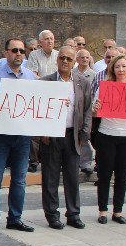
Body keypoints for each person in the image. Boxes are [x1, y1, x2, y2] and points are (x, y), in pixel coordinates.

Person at [0, 38, 38, 234]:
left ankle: (15, 218)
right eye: (15, 50)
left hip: (22, 136)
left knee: (20, 179)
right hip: (0, 136)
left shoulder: (31, 77)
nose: (19, 54)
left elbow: (39, 103)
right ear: (6, 53)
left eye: (22, 51)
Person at [39, 46, 92, 229]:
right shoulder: (46, 81)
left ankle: (73, 214)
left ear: (74, 62)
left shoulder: (82, 82)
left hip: (72, 135)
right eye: (62, 58)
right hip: (52, 135)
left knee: (72, 177)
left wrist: (83, 135)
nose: (65, 61)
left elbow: (87, 110)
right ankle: (52, 214)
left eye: (69, 59)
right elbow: (39, 110)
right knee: (50, 177)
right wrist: (42, 132)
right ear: (57, 60)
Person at [93, 55, 126, 224]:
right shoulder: (105, 87)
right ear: (112, 69)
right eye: (117, 67)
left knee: (122, 175)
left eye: (123, 66)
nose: (121, 70)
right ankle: (102, 210)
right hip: (107, 134)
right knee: (104, 174)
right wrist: (96, 107)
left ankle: (118, 211)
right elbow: (94, 111)